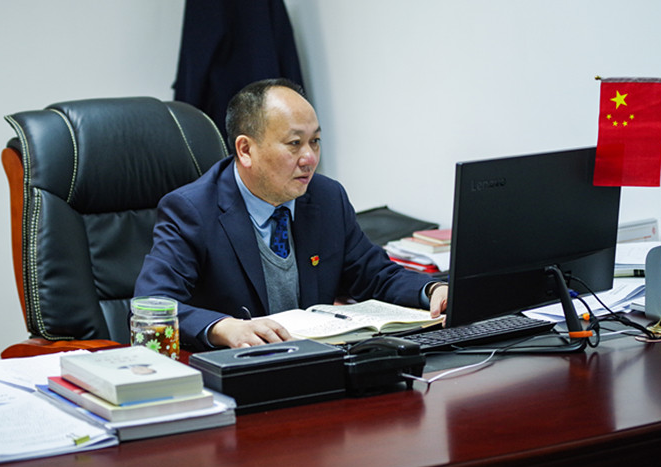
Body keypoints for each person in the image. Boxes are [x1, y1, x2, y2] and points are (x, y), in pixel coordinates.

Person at [134, 78, 447, 350]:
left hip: (317, 364)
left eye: (315, 141)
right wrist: (222, 328)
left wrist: (432, 290)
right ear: (245, 150)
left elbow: (375, 274)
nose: (309, 158)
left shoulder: (326, 198)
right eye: (294, 144)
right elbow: (151, 304)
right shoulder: (192, 210)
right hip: (238, 373)